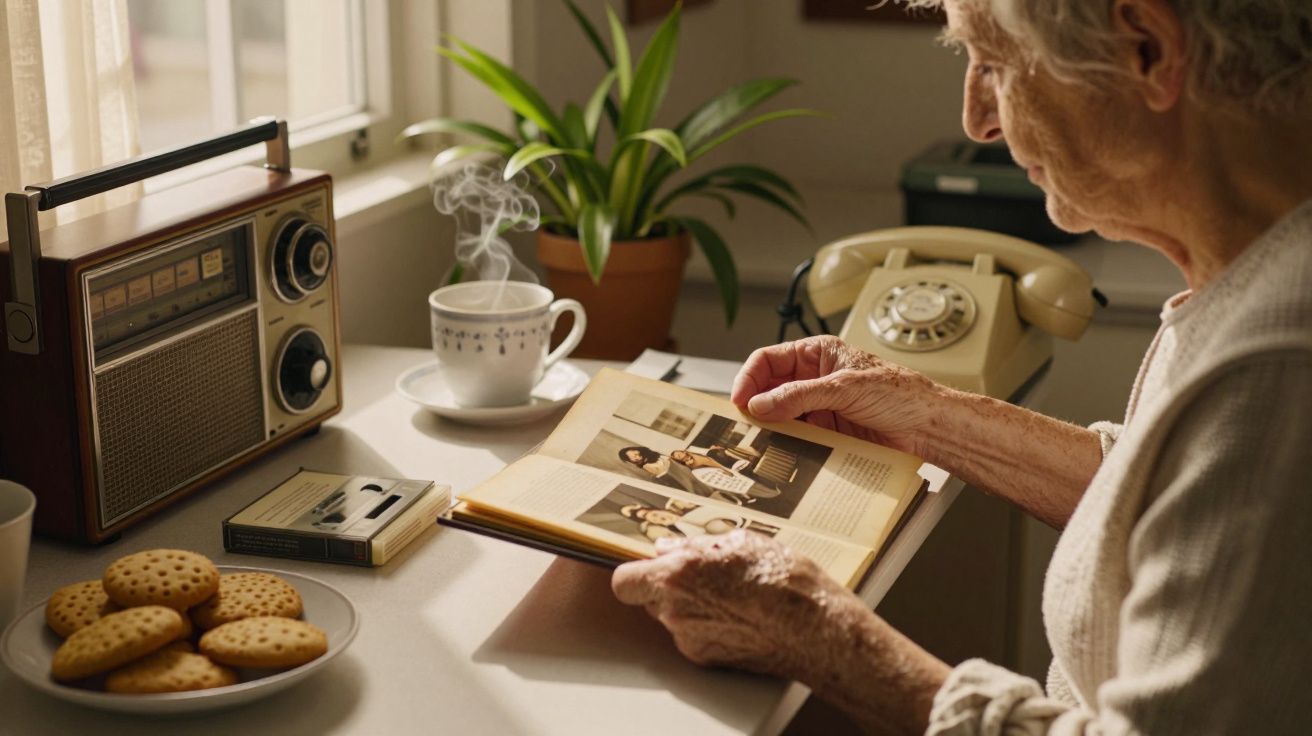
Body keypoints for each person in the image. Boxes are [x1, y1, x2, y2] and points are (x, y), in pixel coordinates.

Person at [611, 1, 1312, 733]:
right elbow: (1176, 489)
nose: (978, 120)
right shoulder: (1259, 277)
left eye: (995, 62)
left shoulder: (1280, 365)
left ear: (1146, 49)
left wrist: (814, 632)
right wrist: (924, 410)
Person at [670, 449, 782, 500]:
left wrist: (725, 469)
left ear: (683, 451)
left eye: (680, 453)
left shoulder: (696, 455)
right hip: (721, 476)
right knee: (748, 487)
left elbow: (711, 461)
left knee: (753, 481)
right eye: (678, 456)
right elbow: (707, 469)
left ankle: (774, 490)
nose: (681, 455)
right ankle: (772, 493)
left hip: (726, 470)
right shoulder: (691, 466)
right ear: (678, 460)